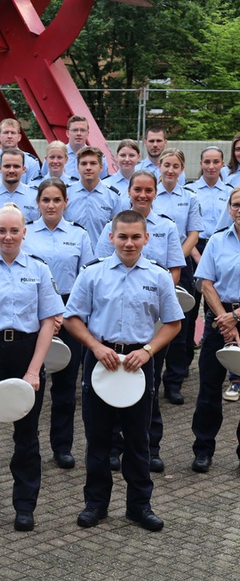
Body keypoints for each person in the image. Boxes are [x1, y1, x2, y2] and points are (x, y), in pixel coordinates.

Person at [64, 209, 183, 532]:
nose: (129, 244)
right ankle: (96, 504)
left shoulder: (158, 276)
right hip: (100, 360)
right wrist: (94, 346)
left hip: (138, 364)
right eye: (122, 237)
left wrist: (148, 351)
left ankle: (139, 506)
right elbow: (71, 317)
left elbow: (173, 323)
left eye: (135, 237)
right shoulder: (93, 274)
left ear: (146, 238)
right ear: (110, 237)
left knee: (137, 439)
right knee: (98, 437)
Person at [0, 203, 63, 532]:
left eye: (14, 230)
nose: (8, 236)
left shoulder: (39, 269)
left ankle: (24, 506)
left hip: (26, 351)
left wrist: (34, 370)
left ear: (24, 232)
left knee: (27, 437)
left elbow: (49, 321)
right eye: (2, 230)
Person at [94, 170, 185, 473]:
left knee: (147, 395)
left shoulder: (167, 227)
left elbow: (172, 269)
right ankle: (113, 449)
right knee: (110, 397)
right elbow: (101, 270)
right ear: (129, 191)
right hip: (113, 327)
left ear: (155, 193)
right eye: (137, 189)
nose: (142, 195)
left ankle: (151, 446)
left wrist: (161, 301)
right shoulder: (114, 225)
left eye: (148, 190)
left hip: (149, 316)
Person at [23, 178, 94, 468]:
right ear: (37, 203)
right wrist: (45, 316)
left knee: (65, 386)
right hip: (33, 313)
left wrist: (64, 315)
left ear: (66, 202)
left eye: (56, 200)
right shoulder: (26, 234)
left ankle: (62, 446)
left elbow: (86, 278)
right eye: (45, 200)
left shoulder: (79, 235)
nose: (51, 205)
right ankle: (27, 445)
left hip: (69, 313)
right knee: (31, 382)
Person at [191, 185, 240, 474]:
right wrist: (225, 318)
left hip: (231, 315)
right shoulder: (218, 241)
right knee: (209, 388)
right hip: (218, 318)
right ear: (229, 208)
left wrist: (235, 316)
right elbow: (206, 283)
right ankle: (203, 450)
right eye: (236, 204)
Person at [154, 148, 202, 405]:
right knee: (151, 322)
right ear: (159, 166)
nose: (171, 170)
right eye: (167, 165)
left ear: (182, 169)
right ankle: (150, 377)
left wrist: (176, 260)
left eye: (176, 166)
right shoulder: (151, 192)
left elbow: (193, 233)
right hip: (151, 268)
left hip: (179, 269)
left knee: (178, 325)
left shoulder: (190, 197)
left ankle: (173, 381)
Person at [64, 146, 121, 247]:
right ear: (77, 167)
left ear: (101, 167)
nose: (88, 167)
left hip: (100, 256)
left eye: (93, 163)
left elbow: (118, 231)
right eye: (84, 163)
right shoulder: (65, 193)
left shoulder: (113, 197)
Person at [0, 118, 41, 185]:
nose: (9, 136)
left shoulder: (31, 162)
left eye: (13, 133)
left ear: (19, 137)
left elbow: (33, 190)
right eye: (6, 132)